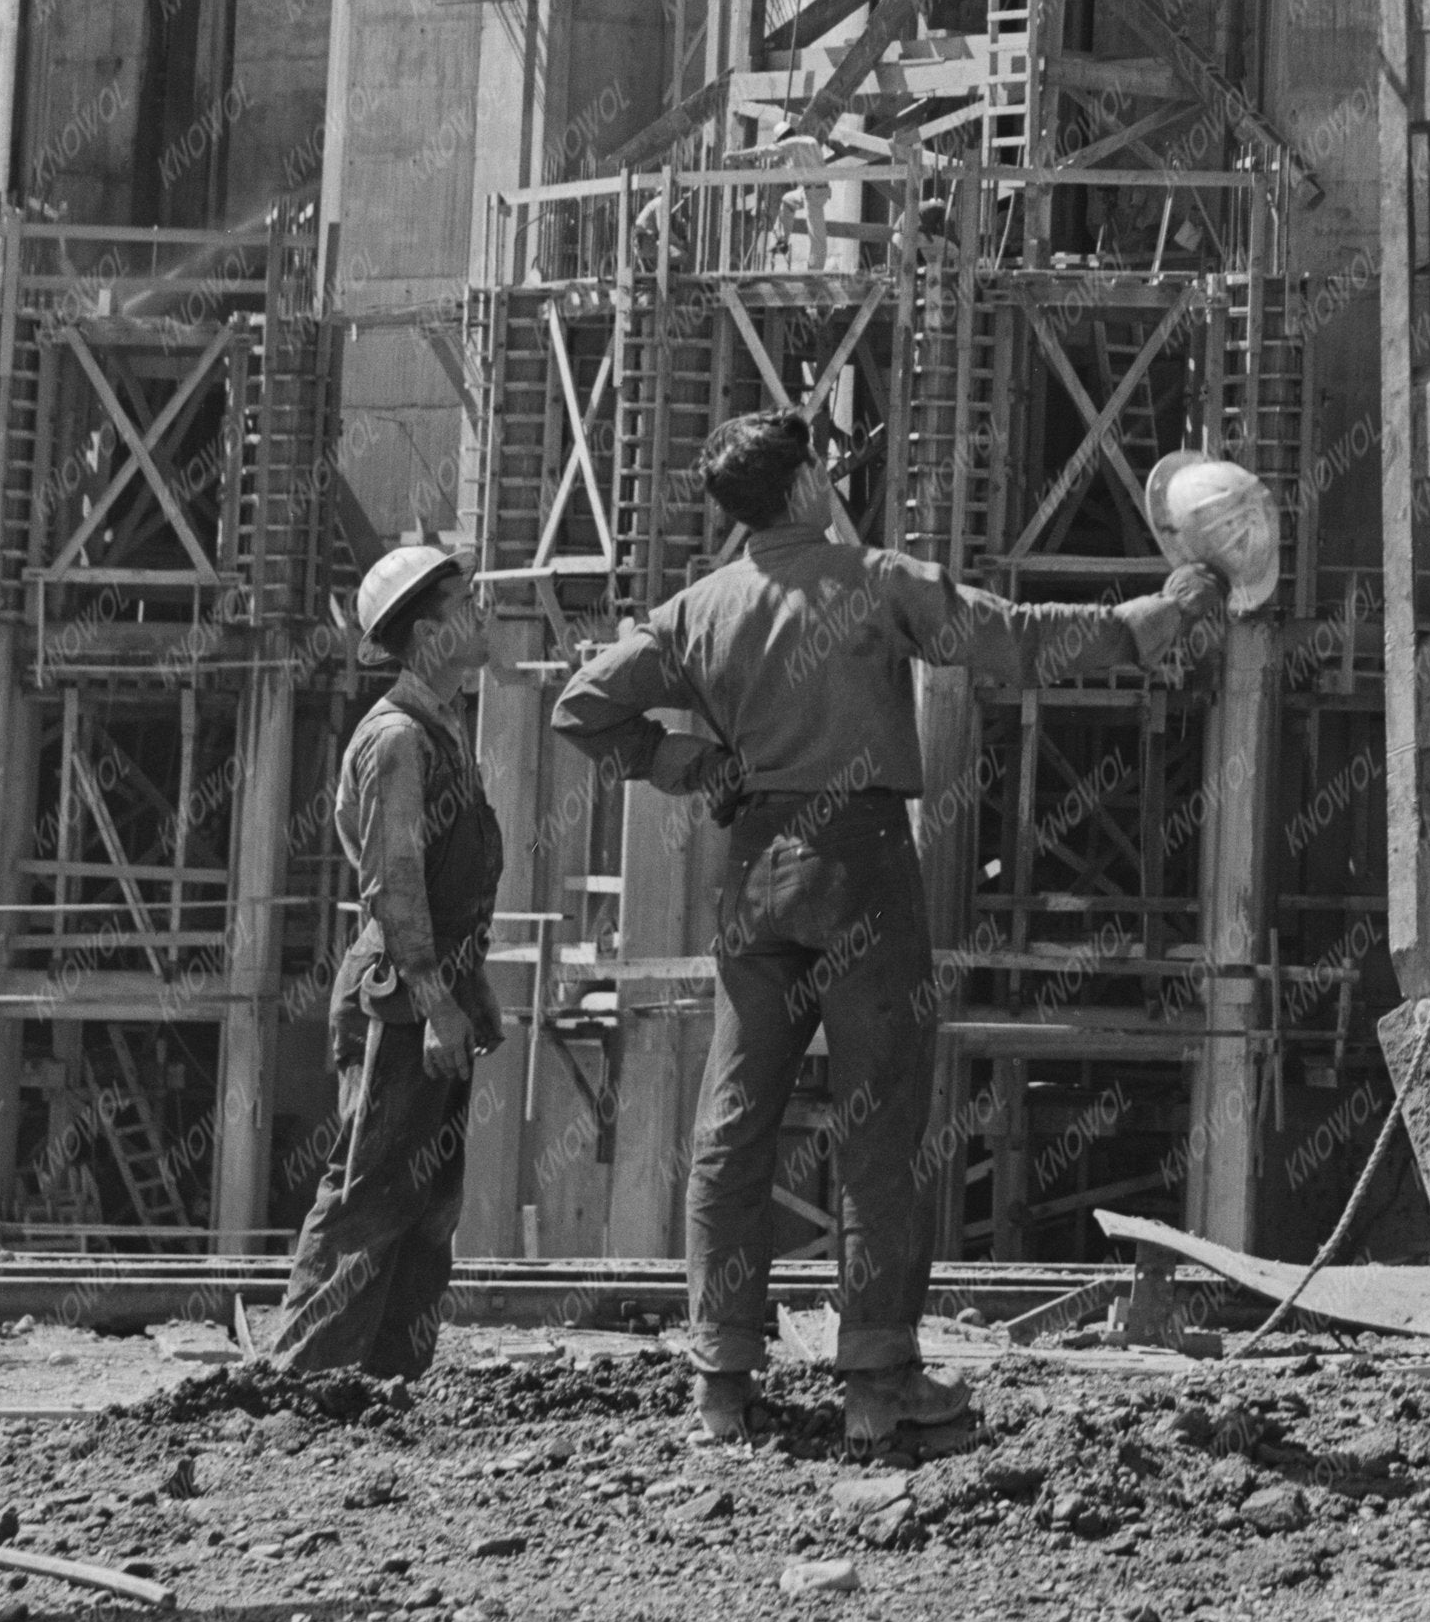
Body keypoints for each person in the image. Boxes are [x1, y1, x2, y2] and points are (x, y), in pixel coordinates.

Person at [555, 414, 1229, 1455]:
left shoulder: (697, 607)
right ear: (807, 482)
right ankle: (877, 1385)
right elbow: (1009, 638)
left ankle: (722, 1387)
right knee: (877, 1126)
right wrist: (1151, 620)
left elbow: (581, 704)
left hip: (755, 872)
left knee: (732, 1127)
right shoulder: (871, 578)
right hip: (859, 862)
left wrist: (687, 767)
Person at [271, 540, 504, 1390]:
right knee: (369, 1194)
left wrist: (465, 991)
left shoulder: (444, 725)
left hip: (434, 990)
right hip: (400, 1000)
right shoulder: (400, 739)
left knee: (429, 1201)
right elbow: (396, 889)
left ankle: (390, 1382)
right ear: (427, 631)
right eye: (466, 603)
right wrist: (437, 1001)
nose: (481, 613)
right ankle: (300, 1381)